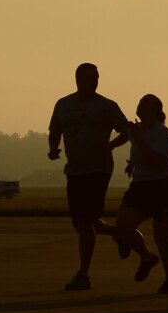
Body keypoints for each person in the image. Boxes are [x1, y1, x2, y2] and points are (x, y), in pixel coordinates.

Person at [46, 62, 134, 292]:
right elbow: (54, 131)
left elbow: (127, 131)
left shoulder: (106, 106)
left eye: (96, 78)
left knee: (85, 222)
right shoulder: (64, 105)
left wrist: (110, 146)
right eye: (89, 78)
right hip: (74, 170)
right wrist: (53, 149)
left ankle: (83, 274)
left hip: (98, 170)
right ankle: (120, 234)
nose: (94, 82)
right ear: (78, 79)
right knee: (85, 223)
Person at [108, 93, 168, 294]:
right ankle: (147, 258)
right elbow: (126, 136)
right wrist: (112, 147)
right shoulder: (136, 129)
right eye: (139, 102)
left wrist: (138, 138)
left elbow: (157, 160)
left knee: (163, 238)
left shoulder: (162, 133)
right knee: (122, 224)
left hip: (165, 187)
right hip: (141, 186)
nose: (139, 106)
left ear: (156, 111)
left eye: (144, 104)